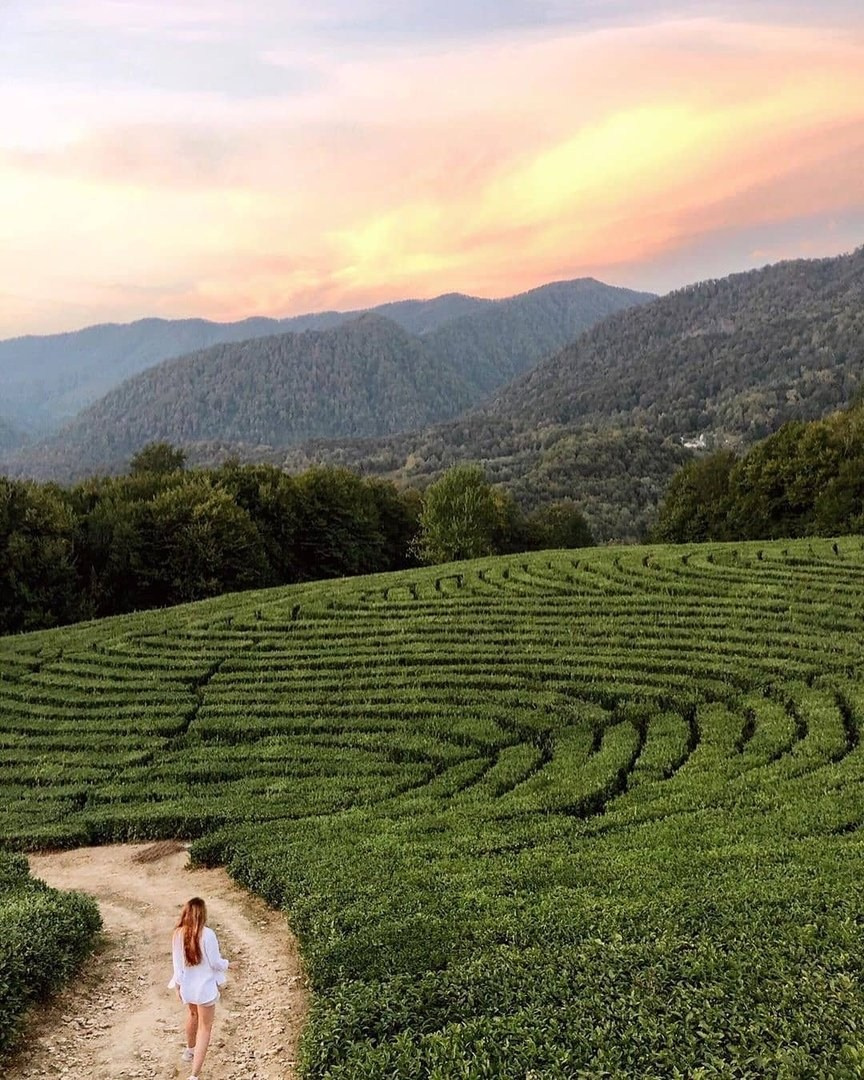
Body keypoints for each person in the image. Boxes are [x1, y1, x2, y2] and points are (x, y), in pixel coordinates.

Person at [168, 897, 230, 1080]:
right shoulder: (208, 934)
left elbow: (177, 965)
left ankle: (189, 1050)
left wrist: (178, 985)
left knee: (192, 1015)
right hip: (205, 989)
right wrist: (229, 964)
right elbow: (215, 962)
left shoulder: (178, 934)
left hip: (188, 985)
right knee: (205, 1028)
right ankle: (194, 1075)